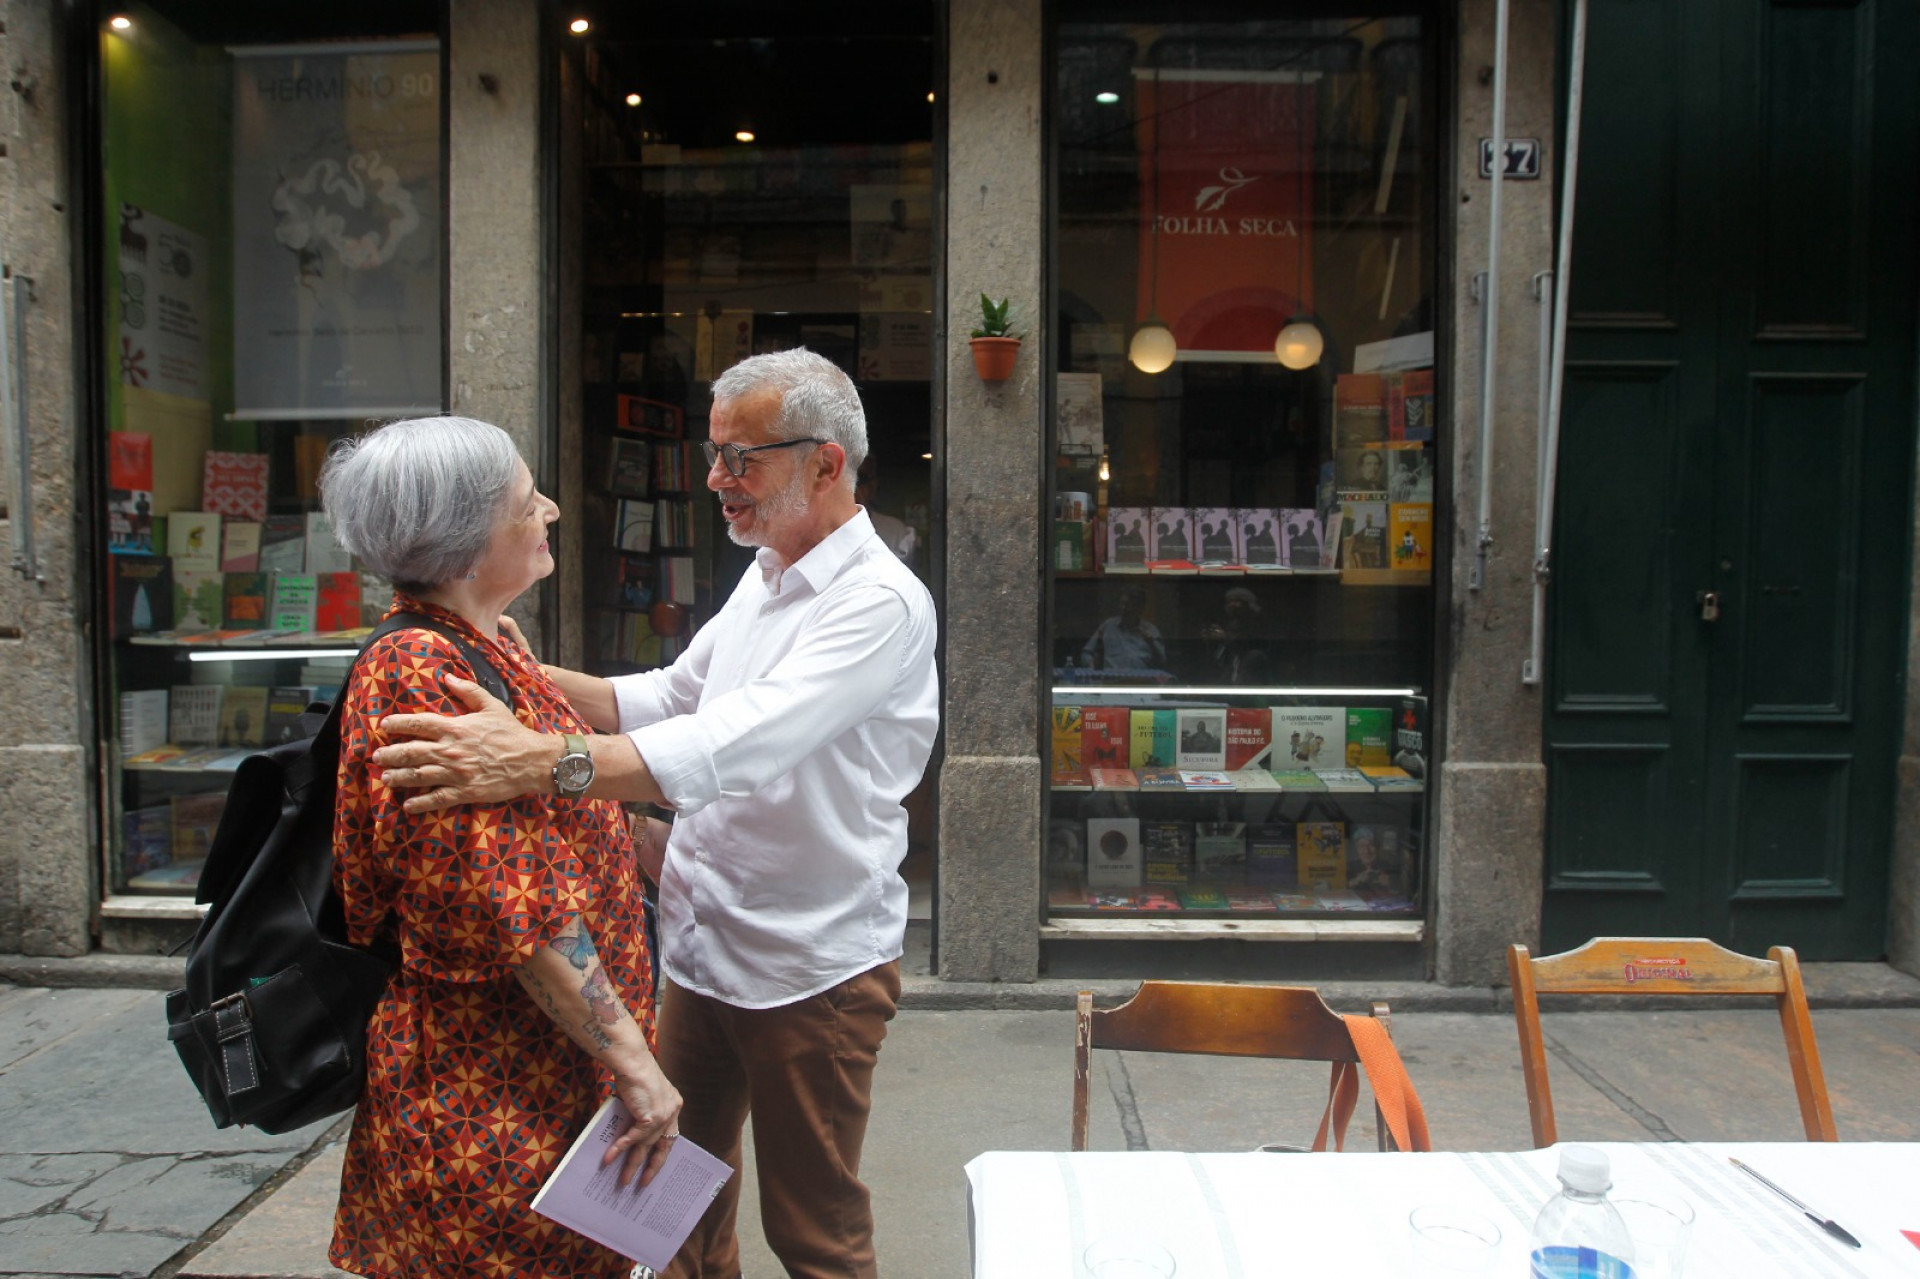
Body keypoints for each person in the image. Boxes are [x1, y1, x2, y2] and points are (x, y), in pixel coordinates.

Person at [365, 349, 939, 1279]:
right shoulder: (769, 569)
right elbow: (673, 696)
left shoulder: (878, 602)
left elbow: (731, 746)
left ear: (826, 464)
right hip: (704, 945)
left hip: (809, 964)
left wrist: (541, 758)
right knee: (666, 1210)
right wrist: (515, 671)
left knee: (814, 1229)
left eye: (739, 459)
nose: (715, 479)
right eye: (714, 455)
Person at [317, 416, 681, 1278]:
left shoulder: (483, 648)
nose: (549, 509)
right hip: (490, 1102)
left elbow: (549, 826)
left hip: (546, 1082)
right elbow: (517, 909)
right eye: (526, 501)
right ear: (465, 540)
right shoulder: (420, 669)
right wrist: (636, 1064)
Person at [1079, 584, 1166, 672]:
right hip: (1110, 678)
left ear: (1140, 608)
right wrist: (1092, 665)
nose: (1123, 608)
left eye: (1128, 605)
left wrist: (1151, 644)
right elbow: (1086, 653)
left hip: (1141, 679)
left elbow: (1161, 663)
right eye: (1122, 604)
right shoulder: (1108, 626)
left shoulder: (1151, 631)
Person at [855, 454, 920, 569]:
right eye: (843, 480)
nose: (850, 488)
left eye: (859, 479)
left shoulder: (897, 533)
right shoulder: (821, 533)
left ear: (873, 486)